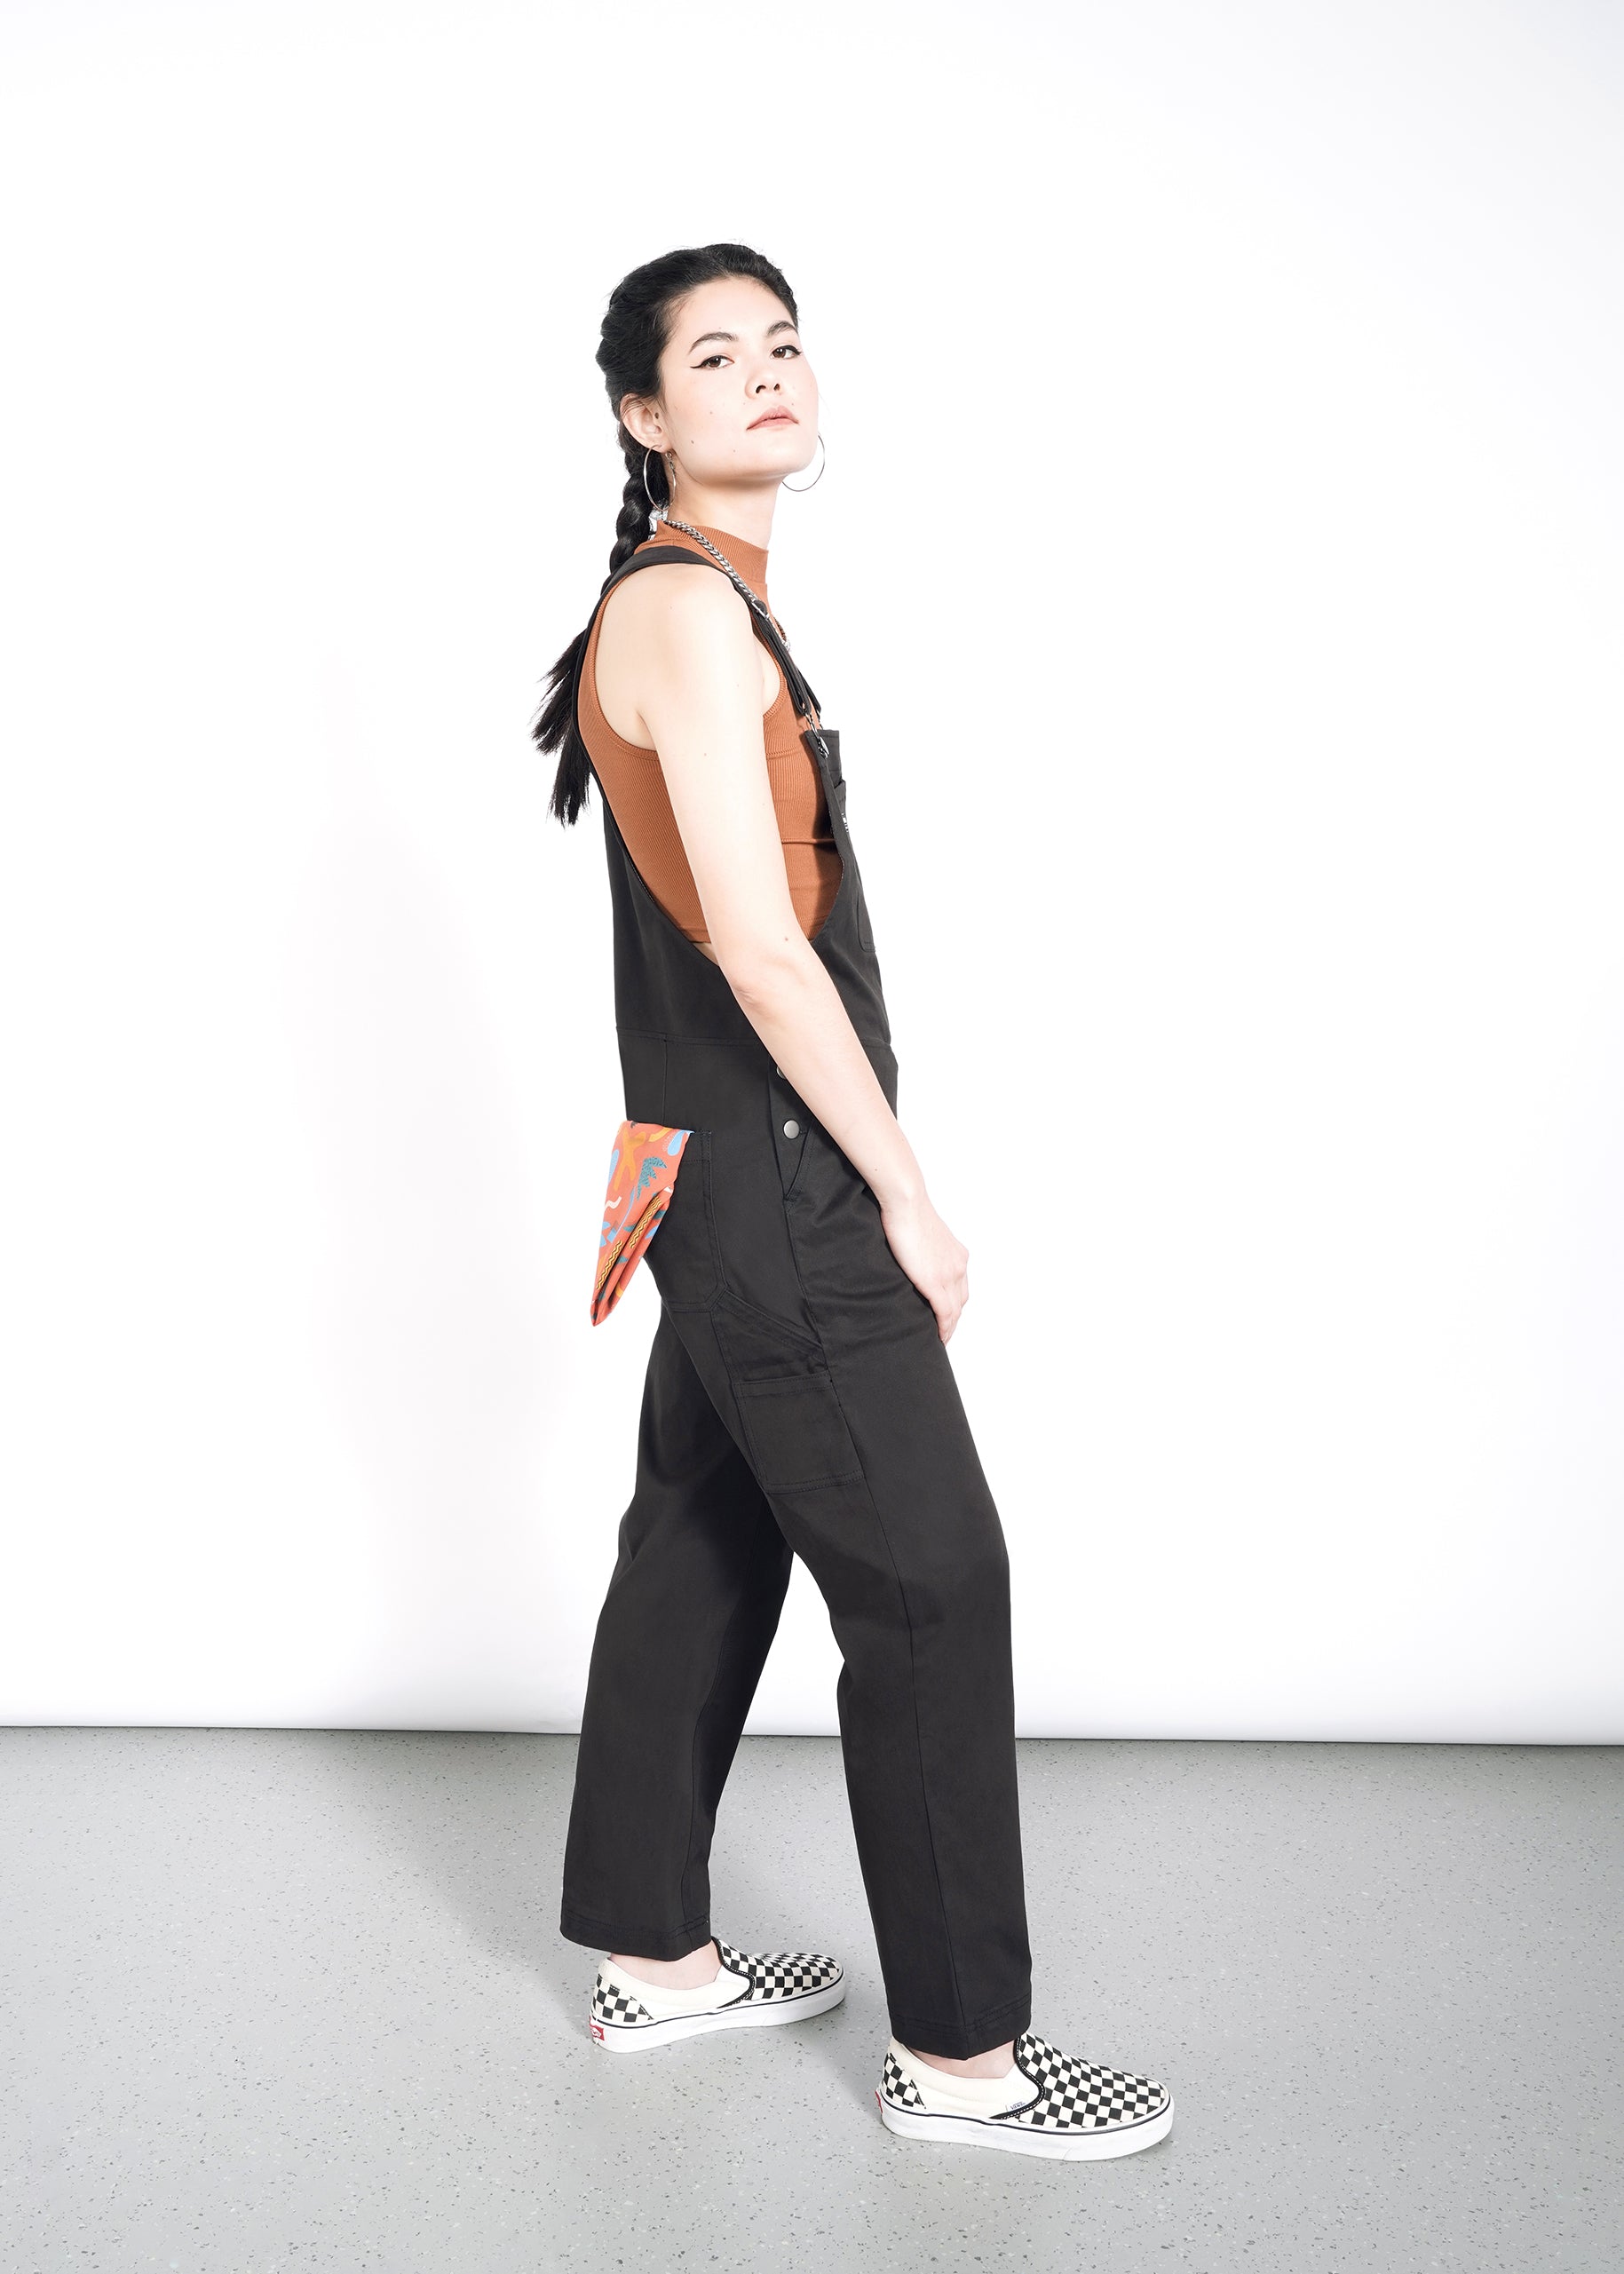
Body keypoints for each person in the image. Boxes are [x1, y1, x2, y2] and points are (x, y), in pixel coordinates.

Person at [532, 243, 1173, 2162]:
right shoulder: (687, 617)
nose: (766, 373)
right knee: (931, 1585)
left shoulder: (704, 608)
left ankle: (652, 1961)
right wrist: (910, 1194)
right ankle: (967, 2065)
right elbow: (755, 946)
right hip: (790, 1185)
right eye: (713, 355)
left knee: (706, 1549)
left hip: (705, 1180)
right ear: (644, 416)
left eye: (786, 342)